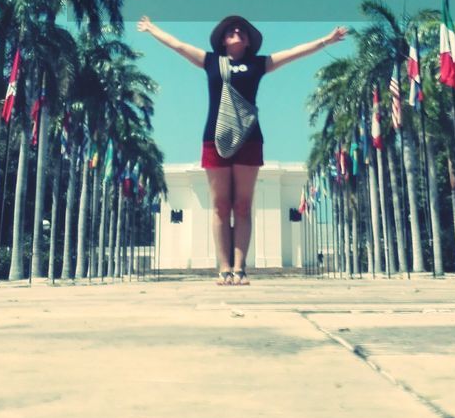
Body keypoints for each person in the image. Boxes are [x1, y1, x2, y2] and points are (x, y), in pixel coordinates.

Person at [138, 15, 347, 285]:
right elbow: (178, 46)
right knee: (221, 206)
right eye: (231, 31)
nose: (237, 32)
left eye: (242, 31)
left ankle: (240, 268)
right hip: (214, 138)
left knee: (243, 206)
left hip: (249, 138)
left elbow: (294, 53)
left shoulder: (259, 64)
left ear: (248, 42)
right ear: (223, 40)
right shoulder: (211, 61)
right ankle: (224, 268)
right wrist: (152, 28)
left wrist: (326, 41)